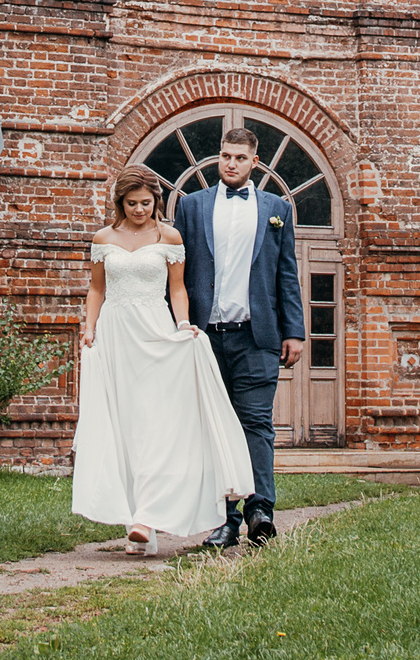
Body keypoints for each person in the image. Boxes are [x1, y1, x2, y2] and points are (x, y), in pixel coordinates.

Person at [70, 162, 255, 551]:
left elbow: (177, 289)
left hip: (155, 333)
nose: (140, 210)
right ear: (121, 203)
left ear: (156, 200)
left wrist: (183, 324)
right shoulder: (104, 238)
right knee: (124, 426)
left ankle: (148, 515)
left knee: (156, 426)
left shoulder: (168, 237)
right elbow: (96, 289)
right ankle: (139, 527)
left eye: (146, 202)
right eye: (132, 203)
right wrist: (89, 328)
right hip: (116, 336)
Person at [174, 126, 306, 548]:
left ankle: (260, 511)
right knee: (214, 427)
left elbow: (287, 275)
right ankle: (225, 520)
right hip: (204, 337)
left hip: (257, 336)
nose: (231, 164)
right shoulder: (191, 206)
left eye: (240, 158)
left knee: (256, 424)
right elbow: (175, 274)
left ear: (255, 162)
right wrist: (173, 327)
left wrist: (295, 332)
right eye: (225, 156)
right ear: (219, 156)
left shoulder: (277, 209)